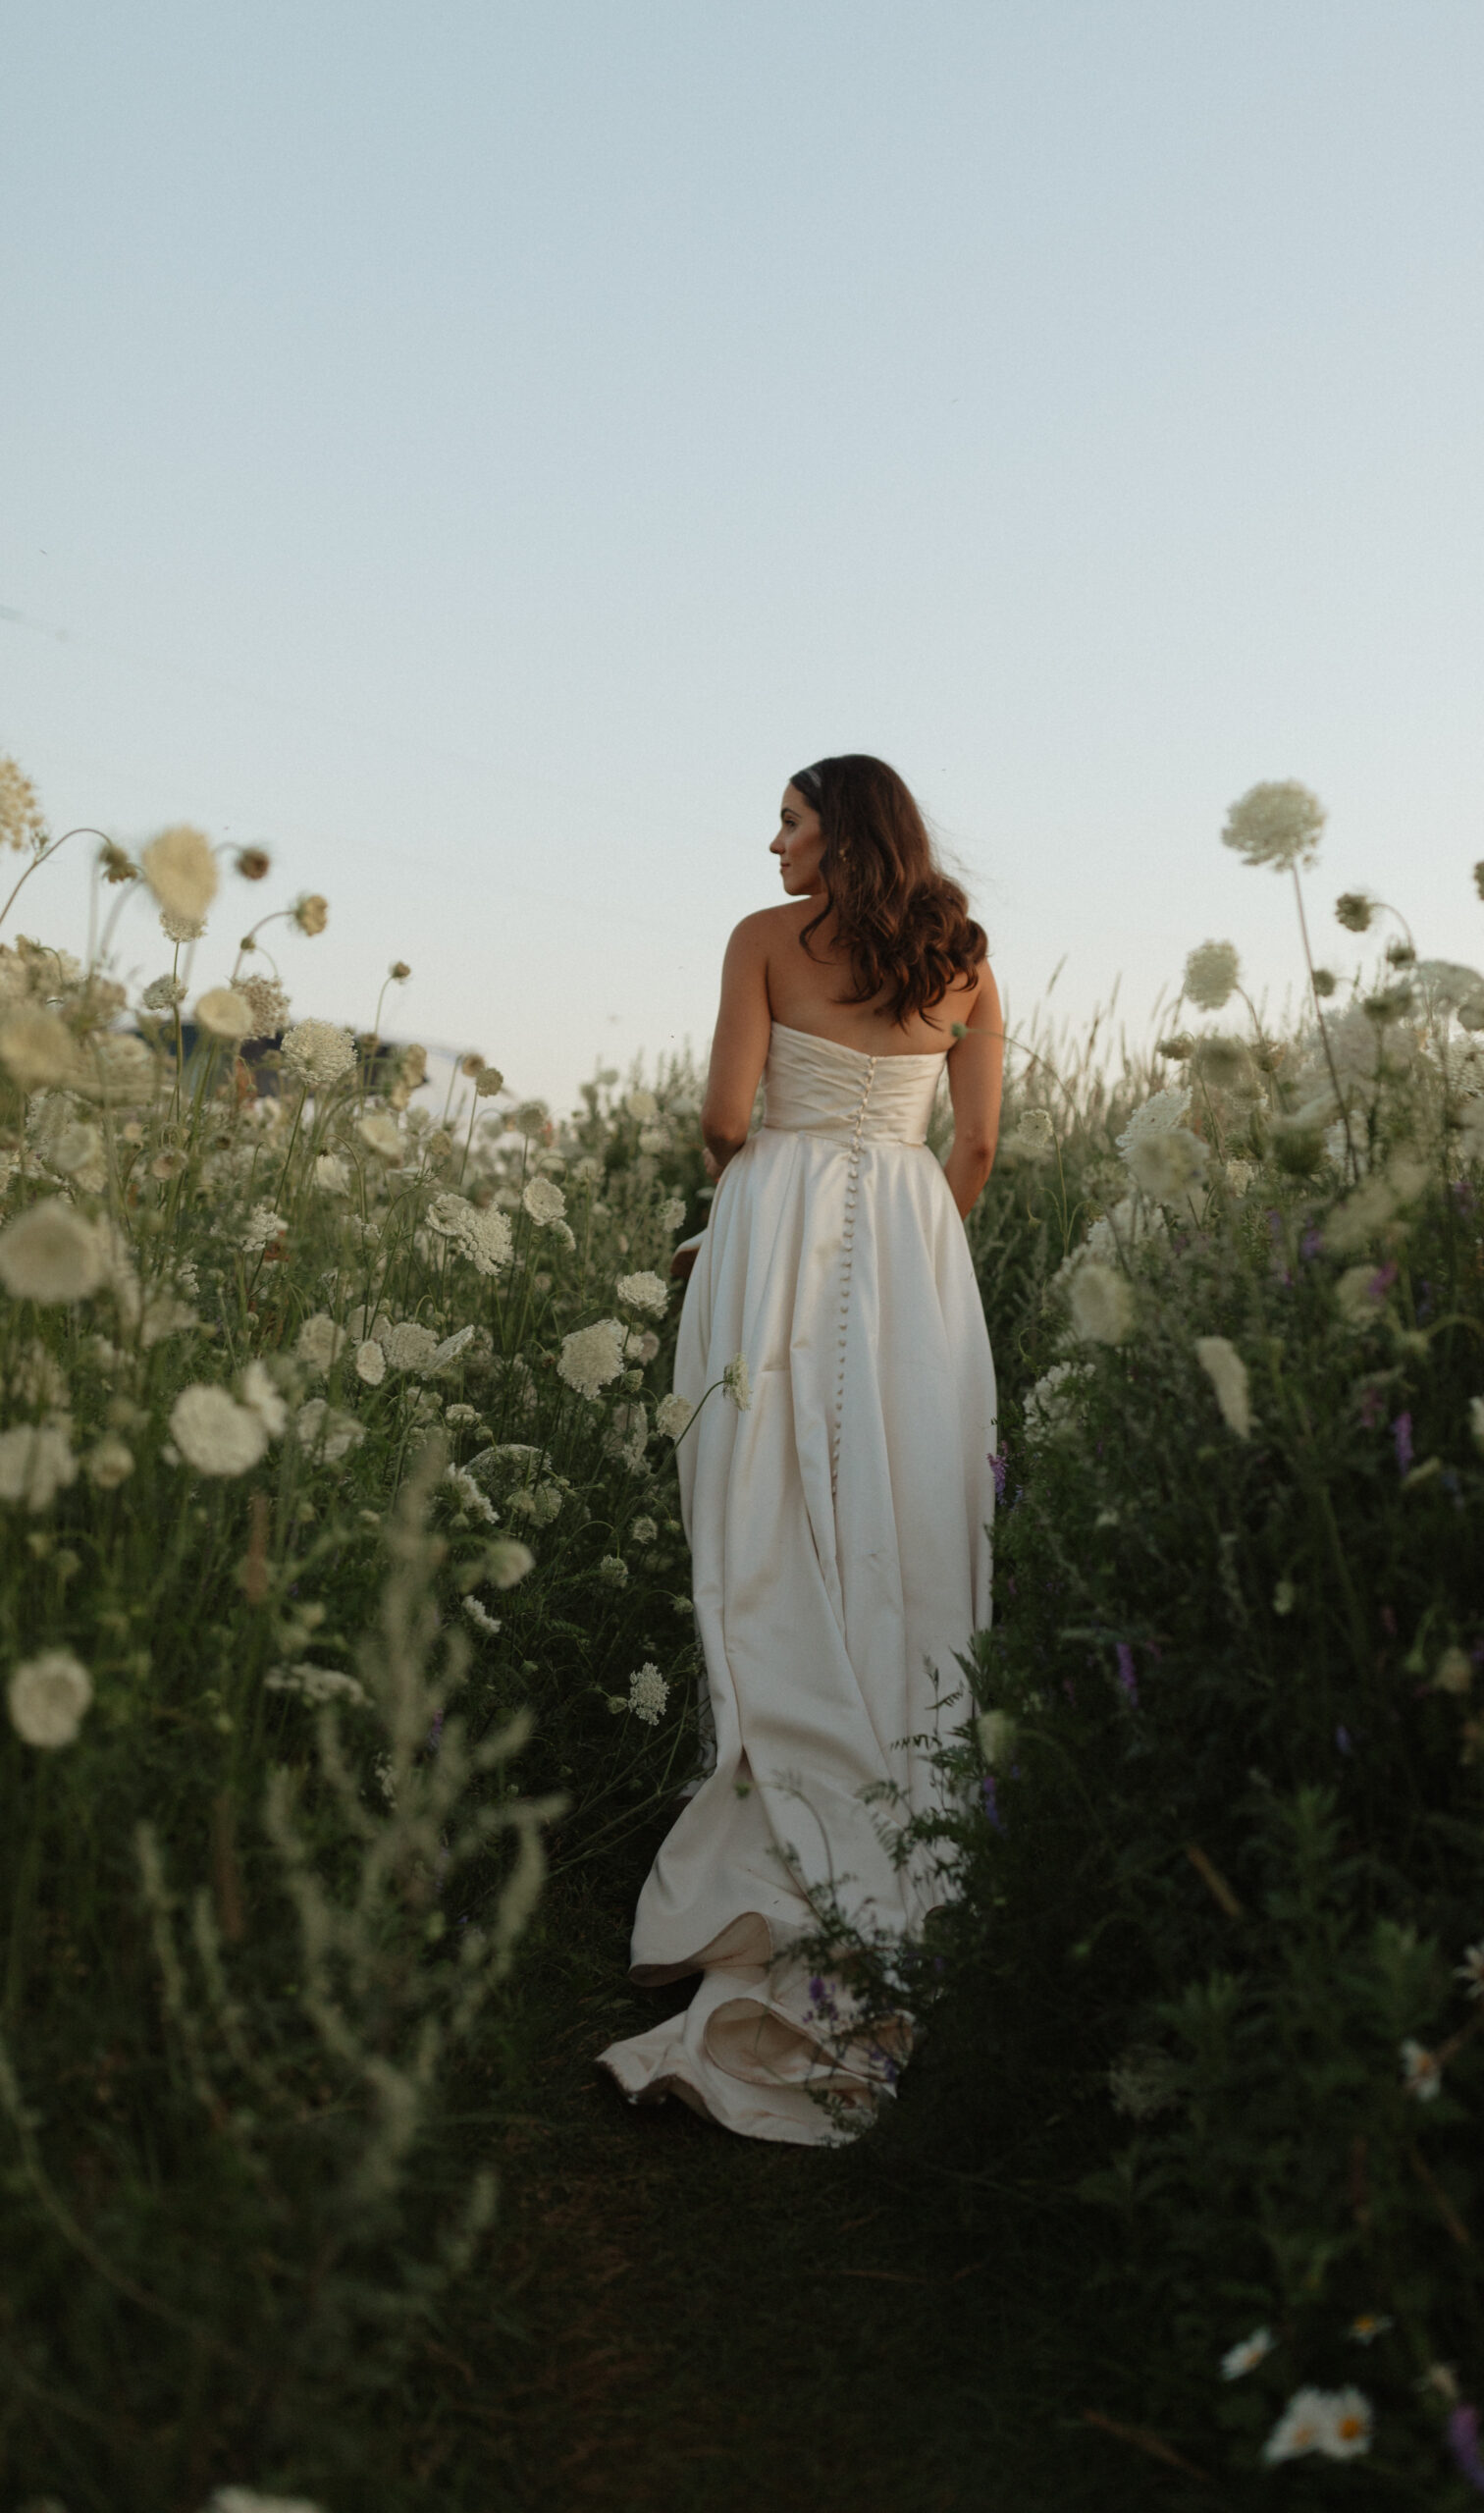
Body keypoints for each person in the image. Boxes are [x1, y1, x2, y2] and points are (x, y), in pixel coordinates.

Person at [598, 754, 1001, 2144]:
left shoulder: (764, 943)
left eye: (789, 819)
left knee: (762, 1516)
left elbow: (725, 1118)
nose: (772, 840)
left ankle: (776, 1804)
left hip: (771, 1244)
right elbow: (981, 1147)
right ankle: (903, 1812)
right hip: (912, 1258)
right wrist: (908, 1241)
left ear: (843, 832)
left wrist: (758, 1206)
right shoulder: (962, 953)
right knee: (902, 1517)